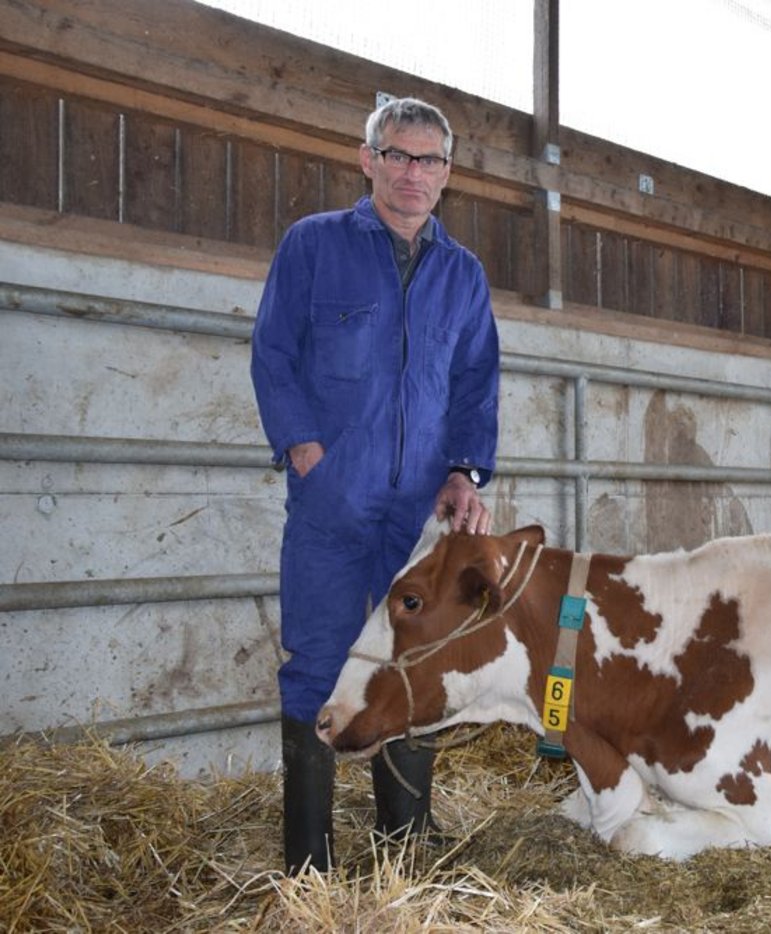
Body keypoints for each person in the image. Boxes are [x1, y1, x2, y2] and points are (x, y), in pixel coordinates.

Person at [250, 96, 500, 874]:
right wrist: (304, 452)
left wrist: (463, 472)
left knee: (414, 669)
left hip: (417, 517)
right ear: (367, 160)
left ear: (448, 175)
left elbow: (474, 384)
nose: (412, 174)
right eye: (396, 155)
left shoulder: (463, 275)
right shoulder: (314, 246)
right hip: (332, 502)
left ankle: (403, 862)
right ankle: (309, 872)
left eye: (429, 161)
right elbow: (273, 354)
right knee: (318, 666)